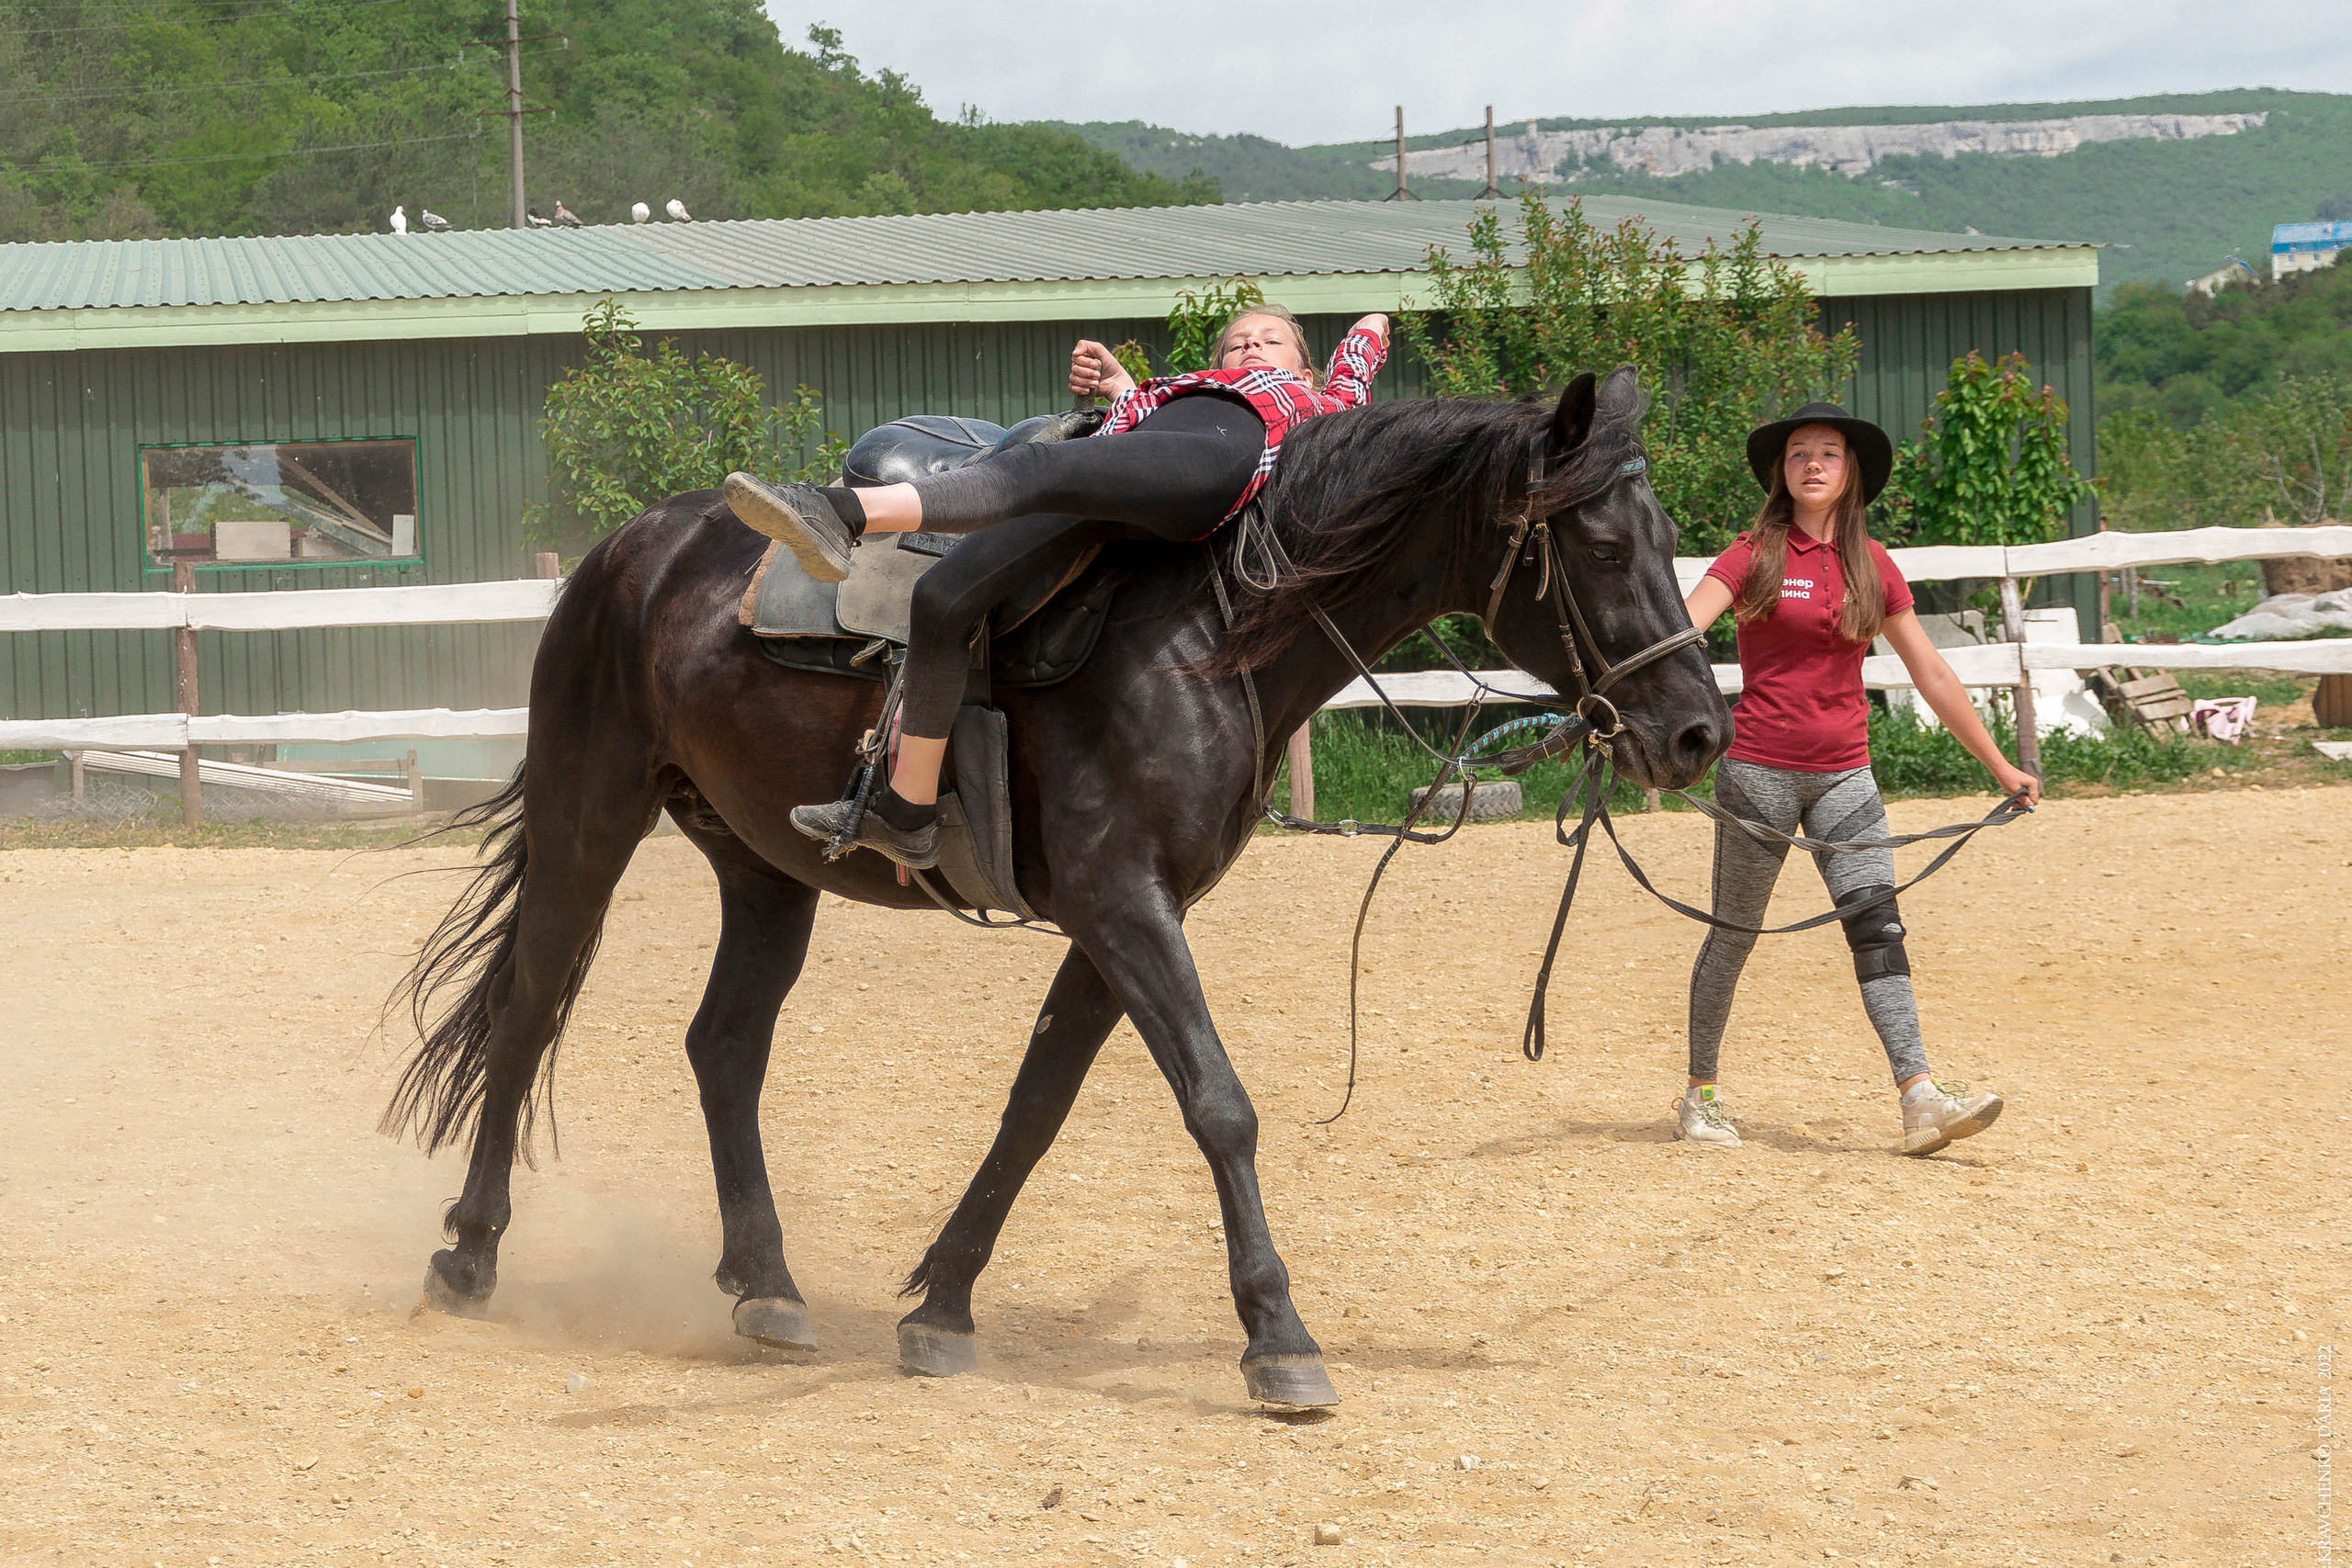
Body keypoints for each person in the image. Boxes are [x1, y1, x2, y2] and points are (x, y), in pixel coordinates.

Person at [723, 305, 1390, 868]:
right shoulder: (1187, 388)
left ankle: (839, 514)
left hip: (1226, 454)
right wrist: (1119, 383)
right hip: (1139, 471)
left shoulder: (1314, 401)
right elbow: (1136, 438)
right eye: (1238, 340)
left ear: (1305, 371)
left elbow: (1356, 364)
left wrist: (1372, 321)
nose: (1250, 345)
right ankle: (907, 809)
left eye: (1269, 340)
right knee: (943, 596)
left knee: (1043, 464)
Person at [1672, 402, 2039, 1157]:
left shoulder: (1873, 565)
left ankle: (1919, 1099)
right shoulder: (1751, 554)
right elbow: (1680, 633)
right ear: (1782, 470)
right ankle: (1701, 1094)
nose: (1811, 463)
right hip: (1757, 777)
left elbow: (1930, 670)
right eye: (1798, 452)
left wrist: (2000, 764)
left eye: (1828, 453)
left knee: (1878, 931)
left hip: (1847, 776)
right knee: (1733, 935)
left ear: (1850, 473)